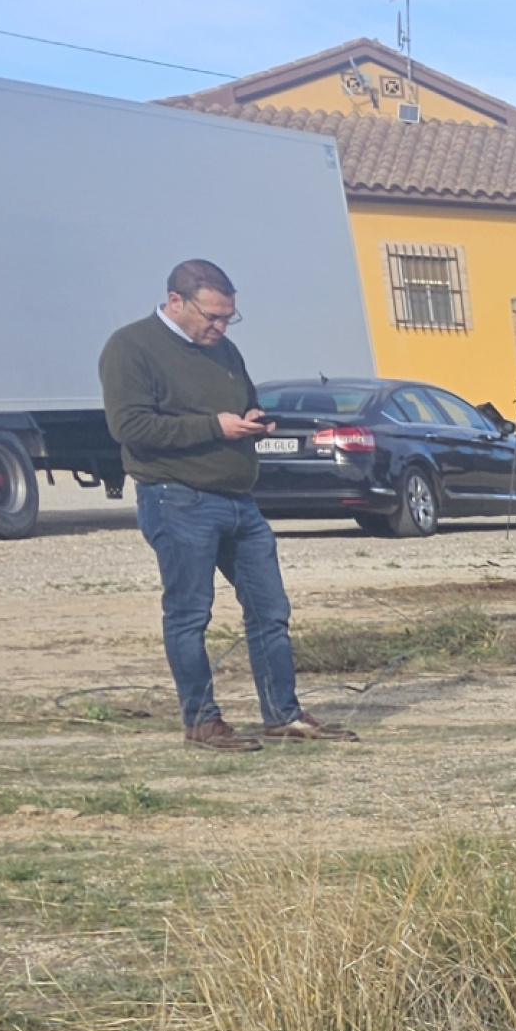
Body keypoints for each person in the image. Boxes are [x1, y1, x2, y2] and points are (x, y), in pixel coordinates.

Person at [96, 259, 355, 751]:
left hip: (240, 501)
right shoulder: (130, 348)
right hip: (177, 498)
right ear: (176, 301)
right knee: (191, 613)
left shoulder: (225, 350)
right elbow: (130, 429)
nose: (219, 327)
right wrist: (215, 427)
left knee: (270, 609)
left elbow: (243, 399)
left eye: (228, 317)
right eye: (211, 316)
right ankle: (202, 721)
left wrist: (253, 418)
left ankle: (283, 715)